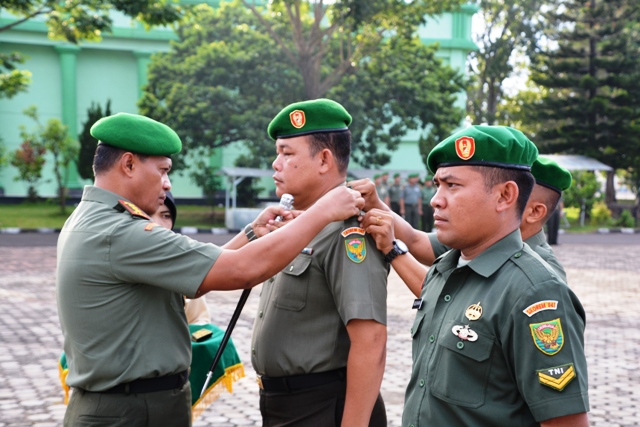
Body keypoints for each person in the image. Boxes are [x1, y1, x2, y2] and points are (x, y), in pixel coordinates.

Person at [56, 112, 364, 427]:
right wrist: (324, 211)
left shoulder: (93, 219)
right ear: (129, 164)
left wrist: (250, 233)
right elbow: (241, 270)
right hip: (128, 412)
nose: (168, 183)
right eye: (163, 170)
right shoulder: (120, 233)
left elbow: (200, 270)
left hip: (123, 405)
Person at [360, 125, 589, 426]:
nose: (436, 200)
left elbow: (565, 422)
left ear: (505, 195)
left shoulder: (535, 291)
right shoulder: (447, 268)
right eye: (438, 185)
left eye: (452, 186)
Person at [251, 99, 389, 427]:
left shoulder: (347, 231)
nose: (275, 164)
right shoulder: (301, 226)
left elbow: (370, 341)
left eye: (287, 153)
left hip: (323, 406)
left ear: (324, 159)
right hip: (285, 405)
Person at [349, 155, 573, 282]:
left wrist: (392, 251)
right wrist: (375, 205)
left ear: (535, 212)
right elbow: (416, 241)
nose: (436, 200)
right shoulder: (476, 241)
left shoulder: (543, 276)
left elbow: (453, 303)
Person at [152, 191, 212, 324]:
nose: (157, 224)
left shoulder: (182, 264)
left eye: (166, 216)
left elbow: (199, 321)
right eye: (148, 215)